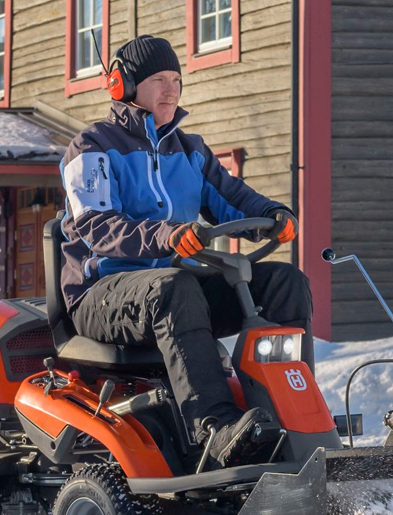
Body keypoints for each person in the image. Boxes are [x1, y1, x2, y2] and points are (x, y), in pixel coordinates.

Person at [58, 35, 313, 469]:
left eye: (176, 79)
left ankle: (295, 416)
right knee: (175, 287)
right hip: (101, 293)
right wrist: (167, 235)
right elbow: (96, 228)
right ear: (122, 85)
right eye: (158, 79)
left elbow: (232, 196)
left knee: (285, 282)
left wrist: (273, 213)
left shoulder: (190, 150)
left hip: (172, 291)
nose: (171, 89)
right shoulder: (92, 148)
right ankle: (215, 428)